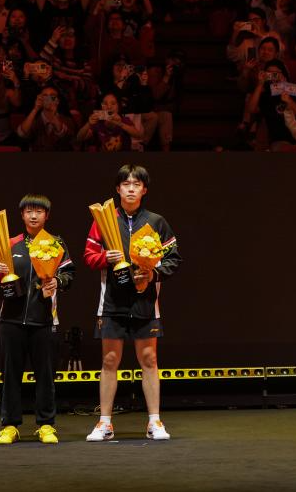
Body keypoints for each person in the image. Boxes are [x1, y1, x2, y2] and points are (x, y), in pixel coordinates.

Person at [83, 165, 181, 442]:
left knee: (149, 359)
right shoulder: (103, 220)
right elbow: (89, 255)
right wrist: (105, 258)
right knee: (109, 360)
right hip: (111, 302)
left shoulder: (157, 222)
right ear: (118, 189)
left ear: (144, 190)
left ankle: (154, 421)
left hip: (146, 302)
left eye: (136, 184)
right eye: (125, 184)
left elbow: (173, 258)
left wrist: (152, 274)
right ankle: (104, 423)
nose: (130, 189)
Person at [0, 194, 75, 445]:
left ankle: (46, 425)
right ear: (22, 215)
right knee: (10, 375)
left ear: (47, 215)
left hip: (45, 320)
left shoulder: (56, 243)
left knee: (45, 376)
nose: (34, 215)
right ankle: (9, 426)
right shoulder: (10, 243)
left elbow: (69, 275)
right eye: (29, 211)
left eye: (39, 211)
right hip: (11, 320)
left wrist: (57, 281)